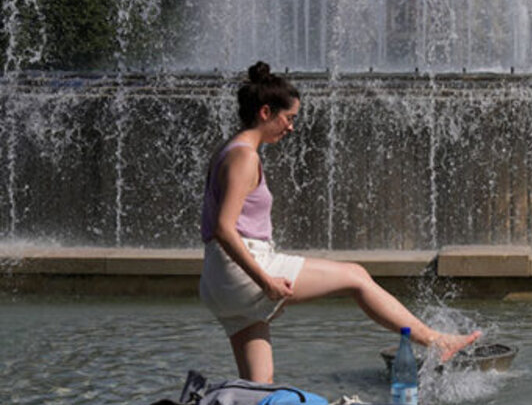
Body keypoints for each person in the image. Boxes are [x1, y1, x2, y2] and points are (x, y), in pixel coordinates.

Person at [198, 61, 480, 383]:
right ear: (265, 112)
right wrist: (265, 282)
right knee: (355, 276)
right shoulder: (245, 157)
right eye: (289, 118)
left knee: (259, 387)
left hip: (218, 281)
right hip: (243, 269)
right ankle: (435, 340)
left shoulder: (227, 150)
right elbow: (224, 228)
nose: (291, 127)